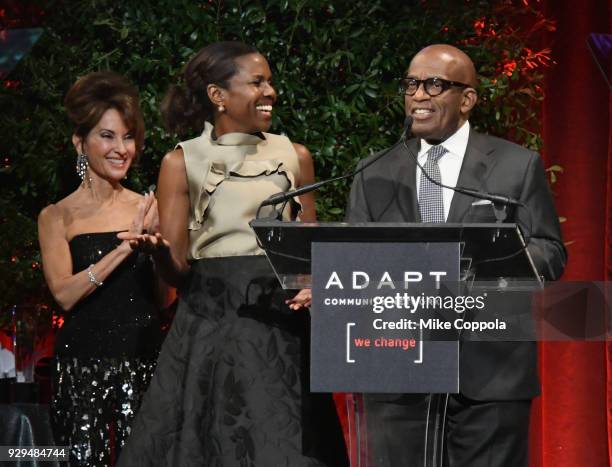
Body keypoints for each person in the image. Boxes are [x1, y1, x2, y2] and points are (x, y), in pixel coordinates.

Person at [117, 41, 348, 467]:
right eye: (257, 82)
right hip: (212, 328)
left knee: (281, 446)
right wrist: (158, 253)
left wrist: (314, 282)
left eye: (271, 82)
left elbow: (310, 255)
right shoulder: (181, 161)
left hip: (280, 332)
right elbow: (179, 273)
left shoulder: (294, 156)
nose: (270, 92)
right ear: (217, 96)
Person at [346, 44, 566, 467]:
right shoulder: (372, 171)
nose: (419, 96)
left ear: (467, 99)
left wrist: (486, 263)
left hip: (490, 371)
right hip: (398, 369)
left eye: (434, 84)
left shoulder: (515, 166)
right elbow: (357, 262)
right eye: (411, 84)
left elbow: (550, 253)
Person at [37, 71, 164, 466]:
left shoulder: (149, 207)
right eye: (107, 136)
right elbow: (65, 294)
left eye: (128, 137)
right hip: (80, 365)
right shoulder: (57, 216)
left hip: (143, 361)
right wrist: (125, 247)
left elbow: (165, 299)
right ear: (81, 142)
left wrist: (159, 252)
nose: (121, 148)